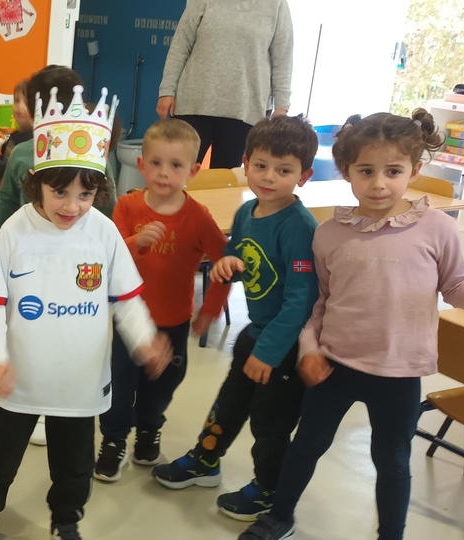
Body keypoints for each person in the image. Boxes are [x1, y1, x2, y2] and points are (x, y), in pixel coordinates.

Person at [238, 110, 464, 540]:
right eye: (365, 171)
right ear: (346, 170)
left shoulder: (436, 228)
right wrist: (310, 349)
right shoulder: (330, 233)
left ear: (415, 170)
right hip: (334, 365)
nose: (378, 184)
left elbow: (457, 288)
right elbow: (319, 302)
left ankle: (391, 534)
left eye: (393, 171)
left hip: (399, 372)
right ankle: (280, 515)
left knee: (391, 461)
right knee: (306, 445)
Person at [0, 84, 171, 540]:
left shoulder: (104, 232)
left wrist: (143, 339)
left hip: (80, 381)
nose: (72, 206)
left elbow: (125, 298)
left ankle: (66, 520)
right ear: (35, 180)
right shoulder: (14, 232)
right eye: (59, 191)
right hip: (19, 378)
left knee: (74, 466)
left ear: (99, 188)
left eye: (85, 193)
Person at [151, 115, 319, 522]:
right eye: (260, 165)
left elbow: (301, 300)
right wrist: (227, 265)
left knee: (269, 424)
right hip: (254, 332)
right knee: (228, 405)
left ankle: (269, 489)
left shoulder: (299, 227)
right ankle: (205, 461)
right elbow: (240, 256)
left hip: (284, 345)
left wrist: (269, 352)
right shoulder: (247, 212)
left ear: (304, 176)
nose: (268, 177)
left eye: (283, 170)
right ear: (245, 164)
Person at [0, 65, 113, 446]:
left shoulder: (91, 148)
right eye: (41, 105)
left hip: (71, 264)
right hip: (25, 259)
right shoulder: (22, 153)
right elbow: (7, 199)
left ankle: (49, 405)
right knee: (16, 328)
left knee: (58, 332)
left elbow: (103, 208)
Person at [93, 118, 231, 482]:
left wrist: (210, 310)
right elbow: (108, 258)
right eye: (155, 163)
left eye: (175, 165)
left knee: (163, 384)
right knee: (120, 383)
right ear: (141, 165)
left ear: (193, 171)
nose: (164, 173)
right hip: (129, 319)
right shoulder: (127, 206)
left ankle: (149, 427)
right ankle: (114, 439)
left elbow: (225, 264)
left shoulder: (198, 217)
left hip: (174, 321)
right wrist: (135, 242)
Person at [157, 0, 293, 168]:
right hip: (195, 103)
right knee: (176, 171)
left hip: (245, 108)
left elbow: (283, 58)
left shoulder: (277, 4)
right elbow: (180, 45)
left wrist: (281, 107)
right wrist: (167, 90)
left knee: (224, 179)